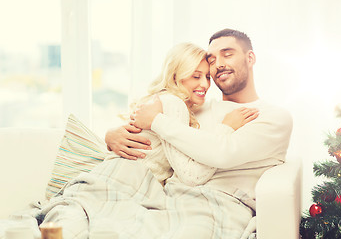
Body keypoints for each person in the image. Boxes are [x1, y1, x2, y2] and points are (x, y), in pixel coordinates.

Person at [0, 42, 258, 239]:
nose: (204, 83)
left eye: (208, 77)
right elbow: (192, 176)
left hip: (110, 174)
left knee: (77, 219)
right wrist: (225, 129)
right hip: (125, 179)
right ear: (176, 76)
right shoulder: (174, 104)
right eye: (195, 76)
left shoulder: (162, 102)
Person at [105, 28, 293, 238]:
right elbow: (150, 136)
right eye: (211, 60)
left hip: (220, 205)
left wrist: (157, 121)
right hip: (166, 200)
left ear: (250, 58)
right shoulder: (192, 108)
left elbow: (224, 152)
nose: (218, 64)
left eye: (227, 54)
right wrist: (111, 135)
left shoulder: (273, 117)